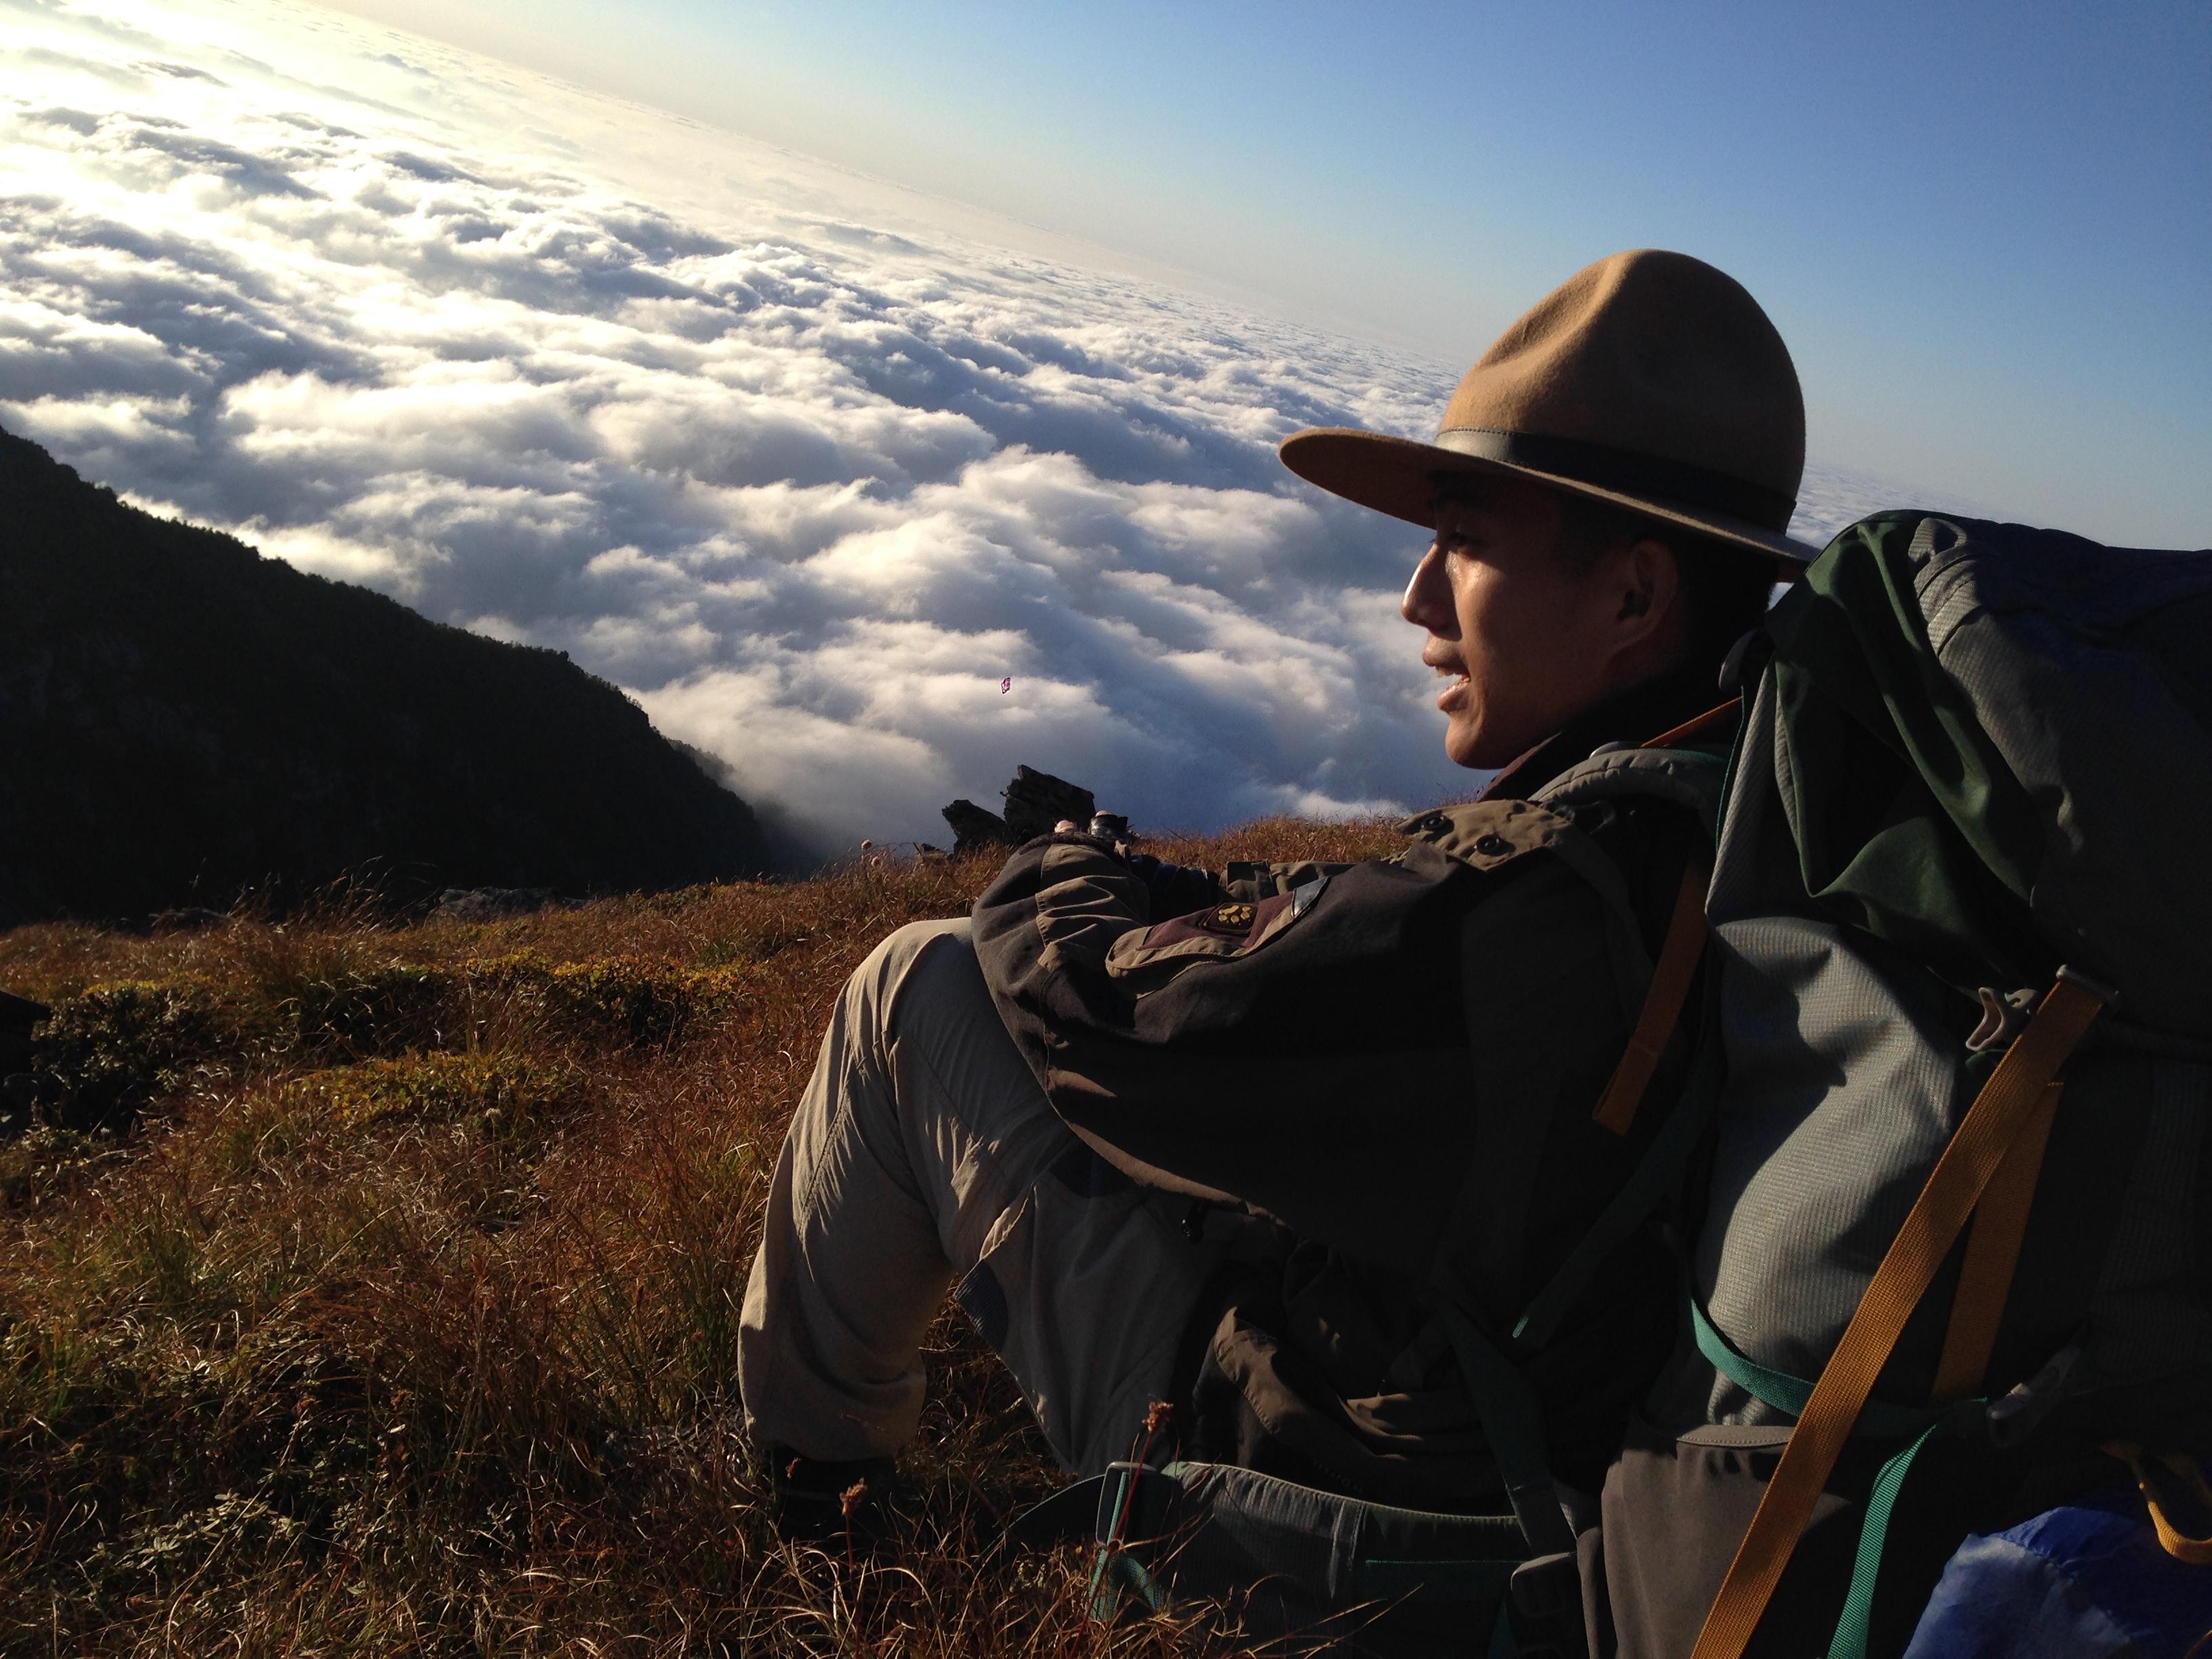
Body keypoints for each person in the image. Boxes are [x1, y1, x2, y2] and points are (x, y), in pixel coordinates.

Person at [735, 249, 1816, 1545]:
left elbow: (1096, 1019)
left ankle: (817, 1513)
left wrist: (1060, 864)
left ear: (1635, 594)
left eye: (1465, 542)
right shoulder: (1749, 823)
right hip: (1564, 1484)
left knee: (920, 983)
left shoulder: (1527, 910)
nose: (1419, 595)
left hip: (1361, 1522)